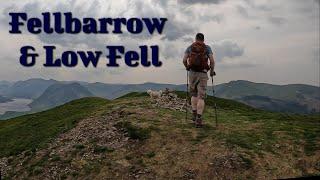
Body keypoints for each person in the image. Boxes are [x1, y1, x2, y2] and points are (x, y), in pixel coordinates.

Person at [183, 33, 215, 127]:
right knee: (201, 96)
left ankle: (194, 114)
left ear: (196, 39)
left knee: (193, 94)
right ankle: (199, 119)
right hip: (203, 74)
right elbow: (212, 61)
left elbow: (184, 60)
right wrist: (211, 71)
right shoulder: (207, 48)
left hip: (192, 73)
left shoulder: (190, 47)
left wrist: (187, 68)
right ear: (203, 40)